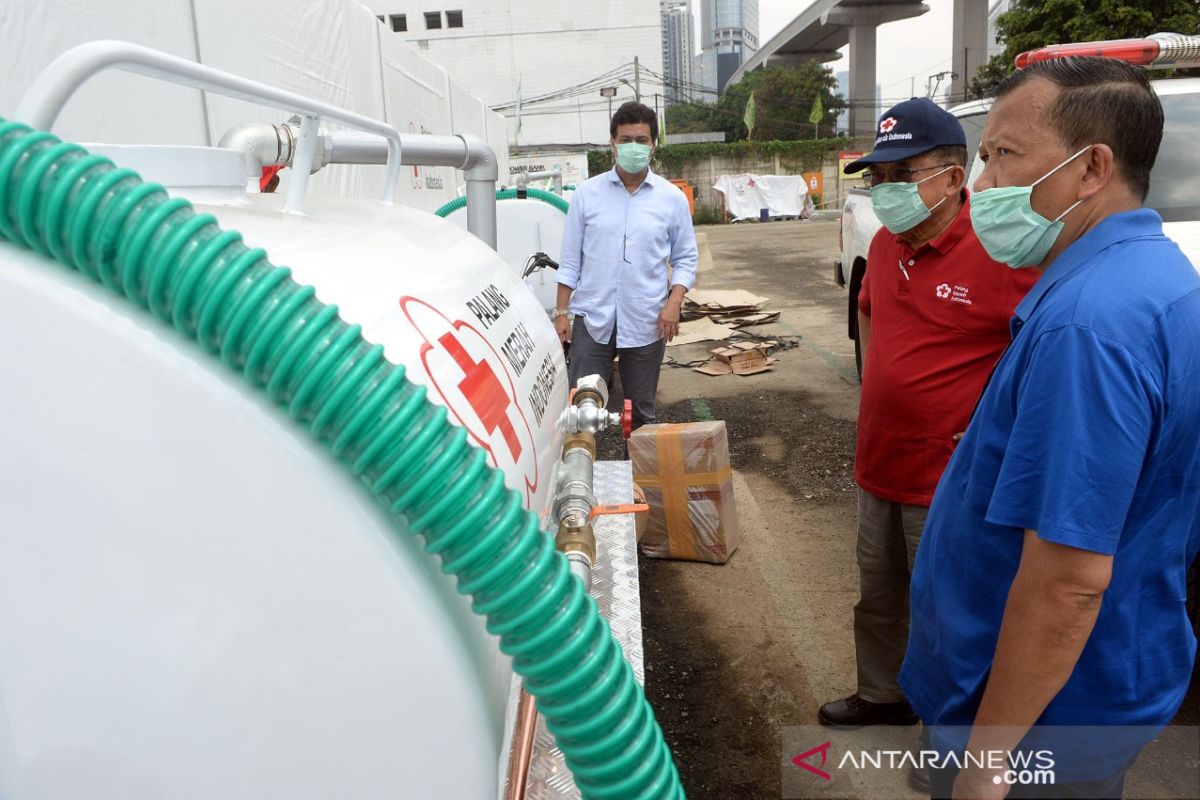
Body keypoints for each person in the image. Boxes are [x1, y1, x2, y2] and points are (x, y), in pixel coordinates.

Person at [900, 57, 1200, 799]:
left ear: (1092, 167)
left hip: (1042, 718)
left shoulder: (1087, 325)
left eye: (1004, 154)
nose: (983, 183)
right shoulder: (1160, 280)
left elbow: (1067, 580)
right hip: (1107, 673)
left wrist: (988, 760)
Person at [818, 98, 1037, 734]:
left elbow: (1037, 352)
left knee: (952, 610)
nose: (885, 192)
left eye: (901, 175)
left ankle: (954, 732)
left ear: (951, 175)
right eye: (877, 178)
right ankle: (885, 695)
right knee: (880, 596)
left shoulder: (1002, 253)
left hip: (948, 477)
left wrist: (996, 428)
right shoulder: (885, 247)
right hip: (880, 460)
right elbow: (866, 312)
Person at [555, 101, 698, 428]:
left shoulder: (671, 199)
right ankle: (580, 478)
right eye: (625, 139)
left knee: (641, 413)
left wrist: (673, 303)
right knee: (582, 411)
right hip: (593, 318)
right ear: (612, 144)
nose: (633, 147)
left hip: (648, 319)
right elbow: (570, 260)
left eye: (641, 140)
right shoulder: (587, 195)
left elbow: (686, 258)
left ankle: (638, 478)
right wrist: (562, 313)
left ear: (653, 145)